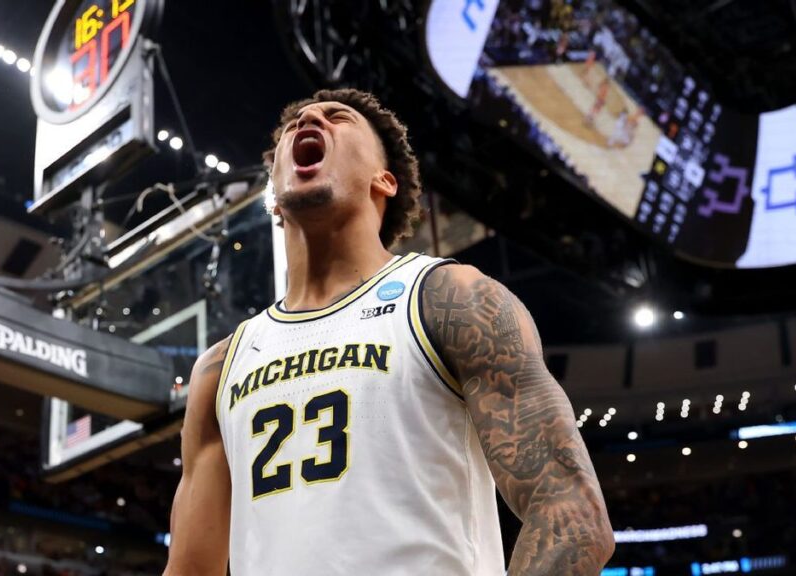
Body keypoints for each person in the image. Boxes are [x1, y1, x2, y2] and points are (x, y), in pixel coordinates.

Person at [164, 88, 614, 576]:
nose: (309, 117)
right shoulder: (220, 367)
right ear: (274, 195)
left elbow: (570, 513)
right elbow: (188, 569)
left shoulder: (450, 299)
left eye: (338, 118)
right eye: (296, 121)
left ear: (385, 180)